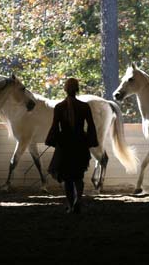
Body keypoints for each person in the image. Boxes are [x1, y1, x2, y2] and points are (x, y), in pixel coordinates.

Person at [45, 78, 99, 214]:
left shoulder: (59, 107)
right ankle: (77, 201)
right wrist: (92, 141)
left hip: (65, 145)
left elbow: (54, 126)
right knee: (78, 176)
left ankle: (70, 204)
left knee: (68, 178)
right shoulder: (84, 107)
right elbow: (91, 126)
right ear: (77, 89)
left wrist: (51, 140)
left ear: (65, 89)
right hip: (80, 143)